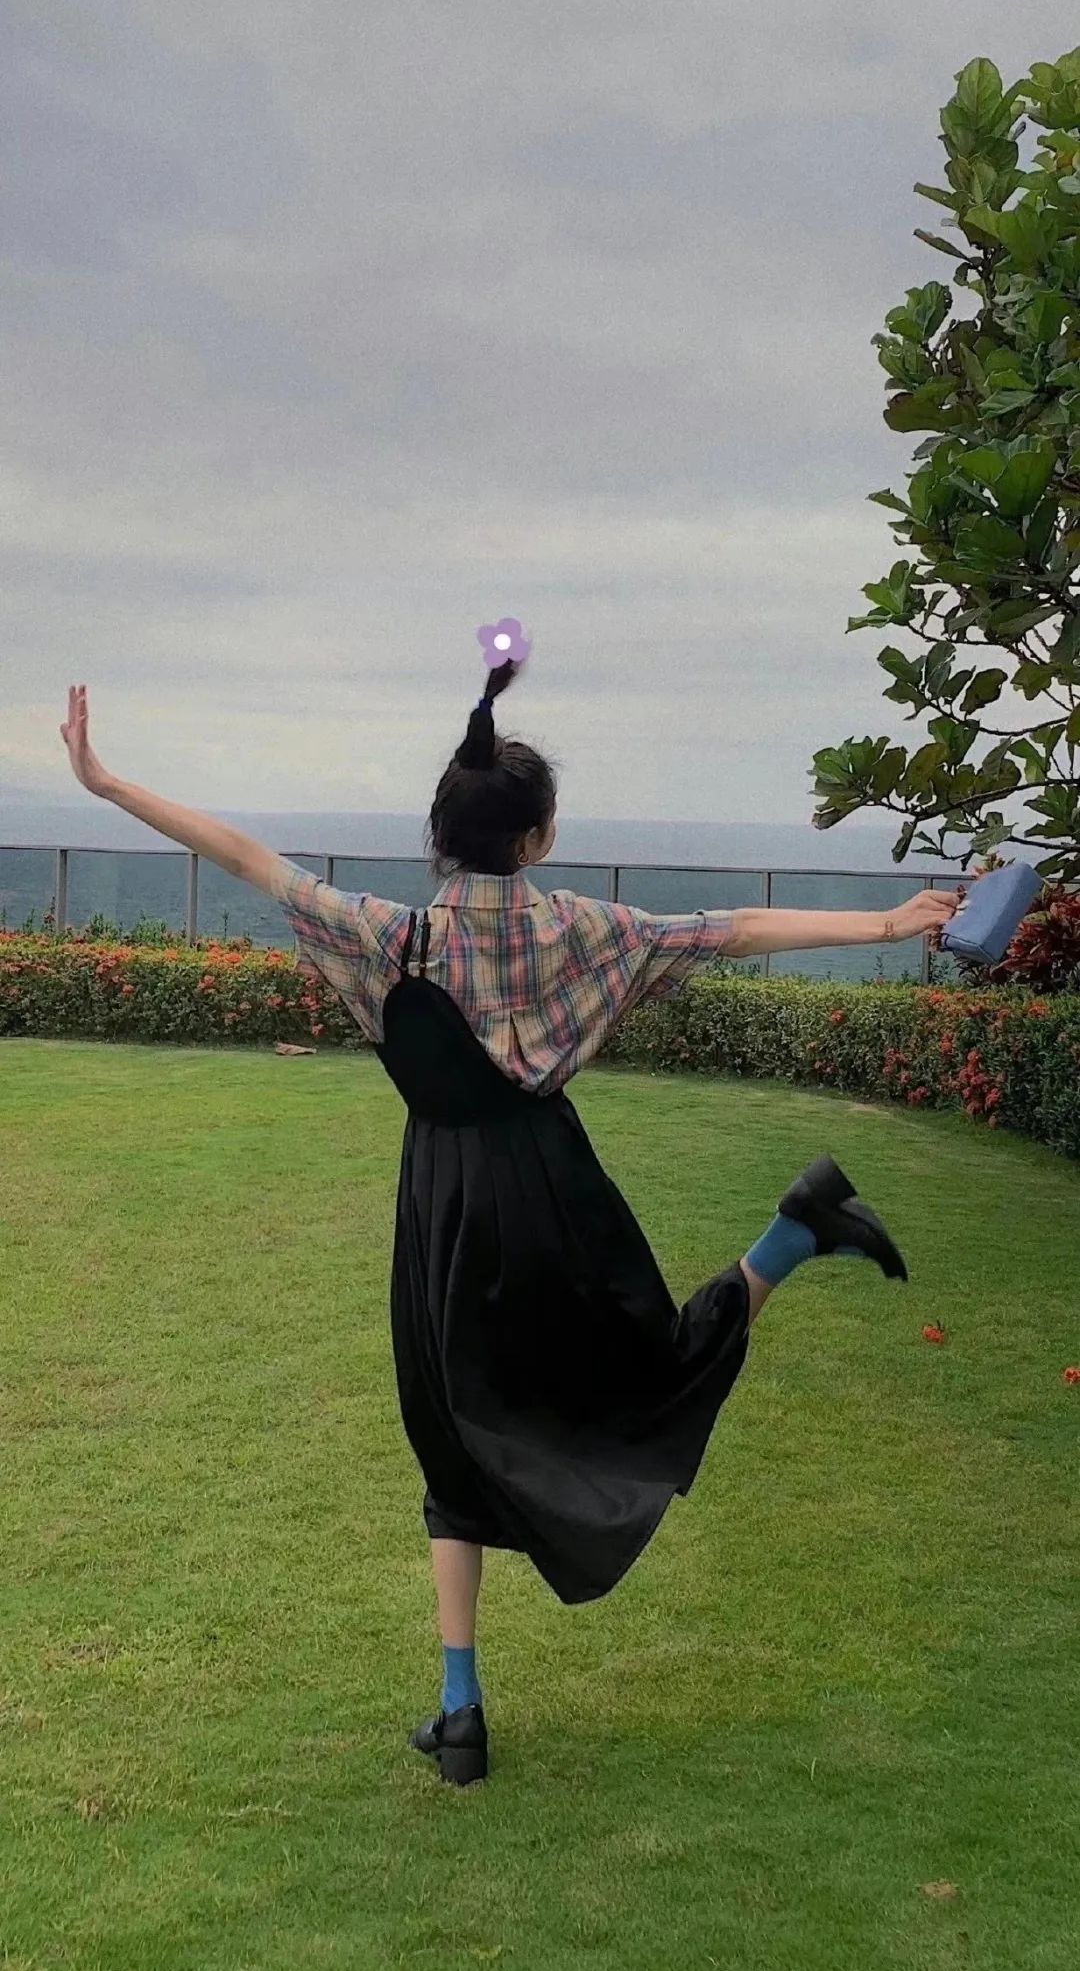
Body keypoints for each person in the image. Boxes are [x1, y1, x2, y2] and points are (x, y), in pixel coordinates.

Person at [59, 663, 959, 1789]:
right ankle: (793, 1233)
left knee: (448, 1425)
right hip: (551, 1181)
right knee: (634, 1371)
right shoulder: (581, 928)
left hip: (443, 1198)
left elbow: (246, 858)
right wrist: (886, 920)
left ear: (440, 835)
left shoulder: (391, 935)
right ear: (537, 838)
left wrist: (107, 783)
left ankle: (461, 1707)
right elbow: (725, 930)